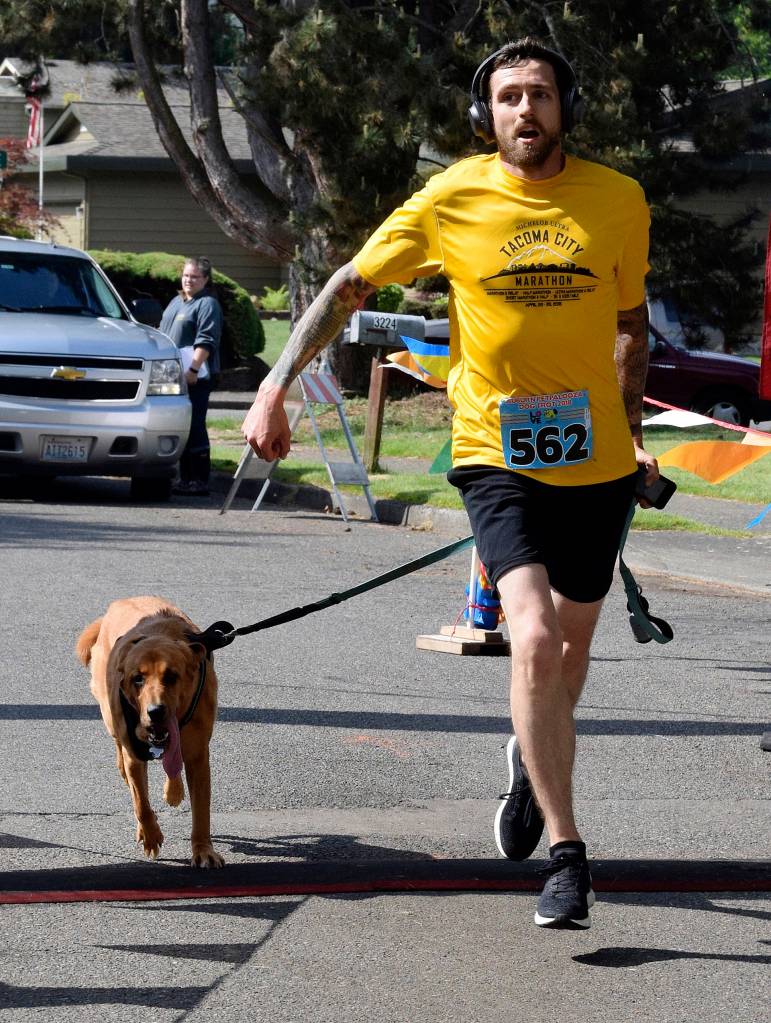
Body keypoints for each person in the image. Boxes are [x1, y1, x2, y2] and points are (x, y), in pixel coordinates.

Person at [242, 37, 659, 930]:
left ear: (565, 108)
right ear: (484, 114)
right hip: (492, 451)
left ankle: (527, 755)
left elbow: (630, 327)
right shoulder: (450, 197)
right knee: (534, 636)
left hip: (596, 462)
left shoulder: (619, 199)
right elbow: (348, 286)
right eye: (507, 96)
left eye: (539, 94)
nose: (524, 110)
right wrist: (275, 385)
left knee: (566, 660)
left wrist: (631, 433)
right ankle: (568, 855)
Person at [160, 257, 223, 495]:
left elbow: (206, 339)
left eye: (195, 277)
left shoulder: (207, 304)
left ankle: (199, 479)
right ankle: (184, 478)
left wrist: (194, 369)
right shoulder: (177, 302)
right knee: (180, 426)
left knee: (195, 425)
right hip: (173, 377)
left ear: (205, 280)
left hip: (195, 376)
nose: (189, 280)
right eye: (186, 275)